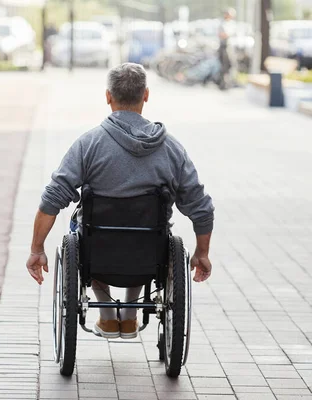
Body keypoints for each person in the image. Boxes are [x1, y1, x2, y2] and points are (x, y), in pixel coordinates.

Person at [26, 63, 214, 339]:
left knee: (89, 230)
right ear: (146, 95)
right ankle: (129, 316)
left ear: (108, 96)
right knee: (149, 235)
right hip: (149, 255)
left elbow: (53, 197)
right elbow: (201, 207)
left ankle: (107, 317)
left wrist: (36, 248)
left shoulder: (88, 144)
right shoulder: (172, 149)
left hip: (97, 252)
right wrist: (201, 253)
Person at [218, 8, 237, 89]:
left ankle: (230, 81)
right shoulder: (222, 24)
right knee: (224, 65)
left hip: (230, 46)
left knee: (231, 64)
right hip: (224, 47)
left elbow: (228, 34)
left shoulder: (232, 24)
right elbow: (222, 35)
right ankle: (223, 83)